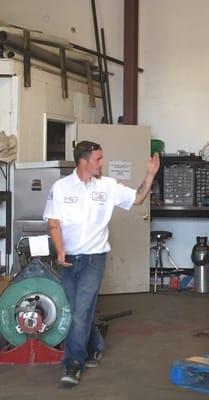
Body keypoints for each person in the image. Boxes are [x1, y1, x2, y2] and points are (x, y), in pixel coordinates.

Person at [43, 141, 160, 386]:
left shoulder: (107, 186)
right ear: (83, 161)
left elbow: (137, 199)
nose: (102, 163)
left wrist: (149, 175)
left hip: (95, 258)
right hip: (68, 259)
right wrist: (60, 251)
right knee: (77, 309)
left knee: (82, 309)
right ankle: (95, 345)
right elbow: (53, 223)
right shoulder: (61, 188)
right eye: (98, 159)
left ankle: (73, 364)